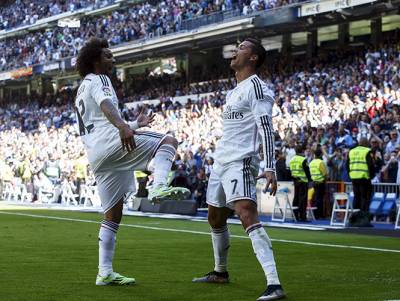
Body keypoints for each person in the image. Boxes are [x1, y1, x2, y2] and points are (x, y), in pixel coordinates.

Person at [75, 37, 190, 286]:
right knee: (168, 141)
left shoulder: (81, 89)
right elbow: (106, 106)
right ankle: (158, 185)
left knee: (112, 214)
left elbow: (97, 120)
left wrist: (134, 125)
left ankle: (104, 272)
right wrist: (124, 126)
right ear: (95, 60)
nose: (113, 59)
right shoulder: (101, 79)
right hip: (112, 144)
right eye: (108, 56)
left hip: (98, 156)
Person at [192, 38, 285, 301]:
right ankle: (220, 272)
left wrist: (269, 166)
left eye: (242, 47)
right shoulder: (235, 90)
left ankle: (274, 283)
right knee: (215, 217)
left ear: (253, 58)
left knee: (246, 214)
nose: (236, 51)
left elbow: (266, 127)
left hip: (241, 161)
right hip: (221, 162)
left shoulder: (257, 88)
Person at [346, 137, 374, 213]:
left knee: (356, 197)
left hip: (354, 178)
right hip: (364, 177)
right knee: (365, 197)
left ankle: (355, 216)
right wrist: (371, 176)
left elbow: (347, 165)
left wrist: (350, 174)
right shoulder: (367, 151)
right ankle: (363, 216)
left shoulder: (351, 151)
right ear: (366, 143)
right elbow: (371, 165)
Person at [289, 145, 312, 222]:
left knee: (296, 198)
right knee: (303, 199)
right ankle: (303, 216)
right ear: (302, 151)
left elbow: (290, 171)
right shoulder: (303, 159)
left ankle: (295, 216)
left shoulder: (292, 160)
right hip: (303, 181)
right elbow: (307, 171)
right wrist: (310, 180)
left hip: (295, 181)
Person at [309, 148, 328, 219]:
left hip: (314, 182)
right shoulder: (321, 162)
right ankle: (319, 215)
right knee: (319, 200)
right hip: (320, 183)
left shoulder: (311, 163)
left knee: (316, 199)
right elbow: (325, 174)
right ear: (320, 154)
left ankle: (316, 214)